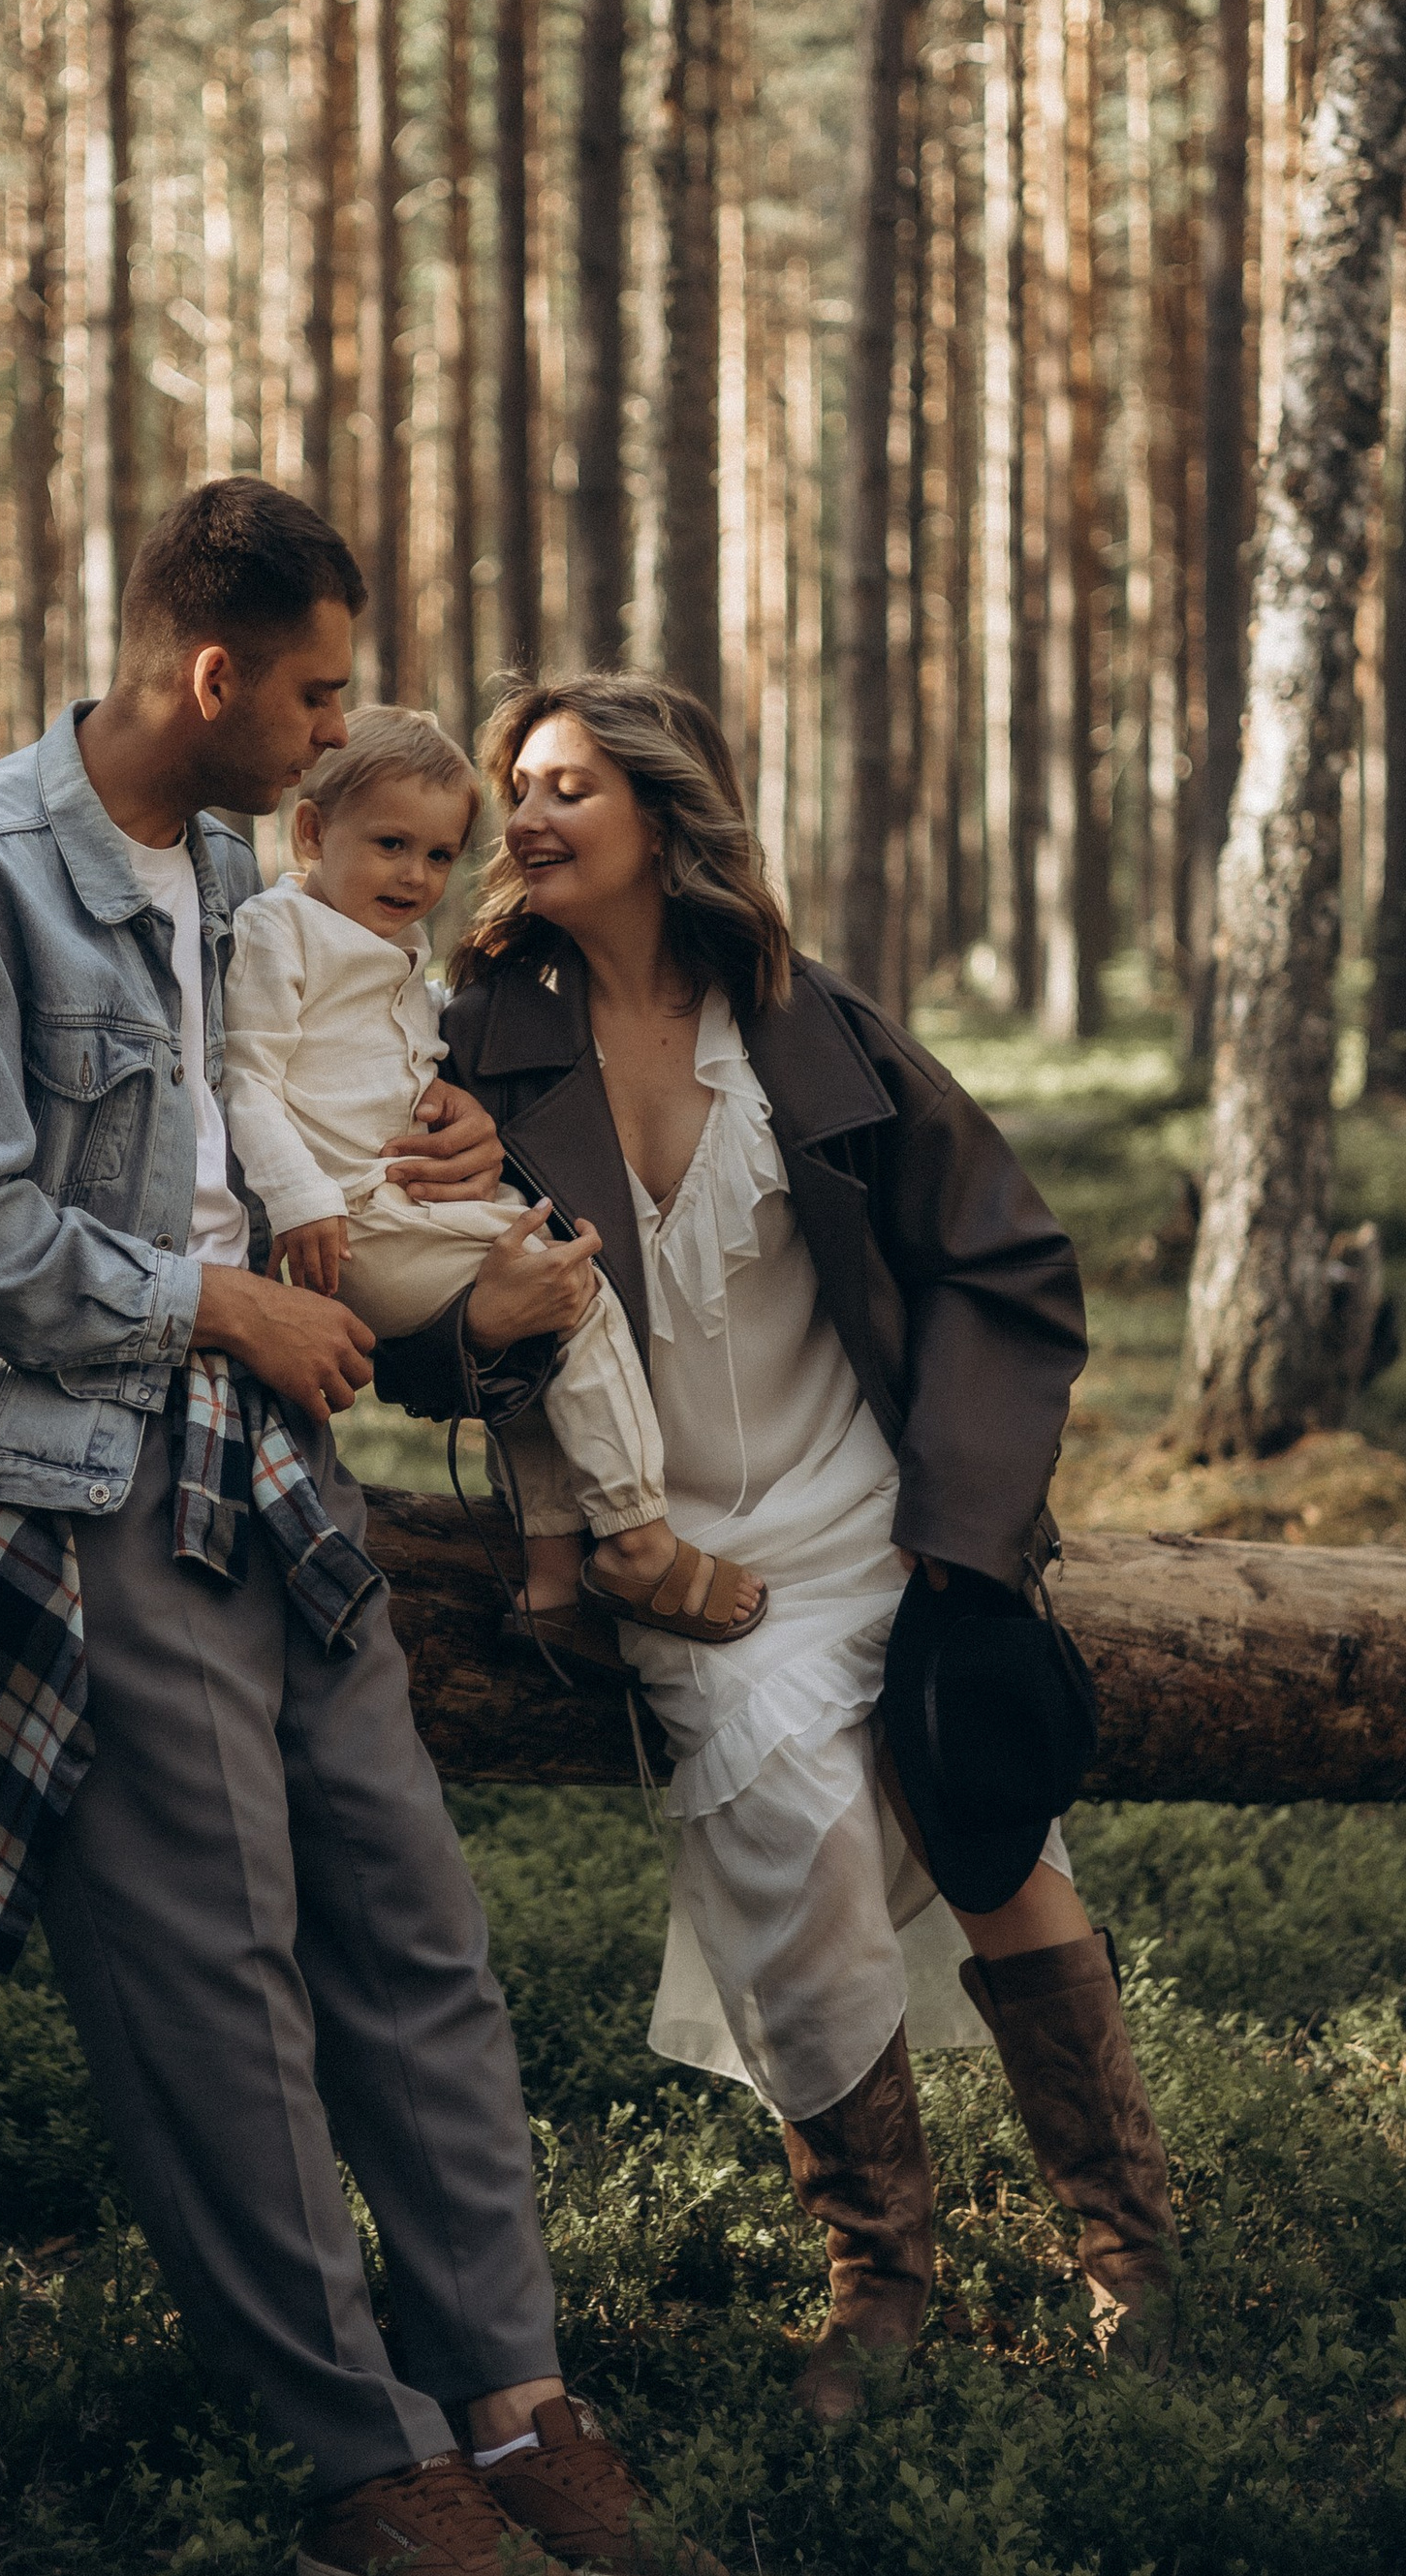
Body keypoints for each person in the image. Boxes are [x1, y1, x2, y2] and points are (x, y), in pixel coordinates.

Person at [0, 481, 730, 2576]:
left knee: (409, 1920)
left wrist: (432, 1153)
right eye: (309, 694)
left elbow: (297, 1107)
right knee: (211, 1966)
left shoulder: (236, 877)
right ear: (210, 678)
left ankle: (508, 2398)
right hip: (60, 1459)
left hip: (258, 1446)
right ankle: (355, 2459)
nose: (335, 733)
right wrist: (214, 1305)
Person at [371, 671, 1179, 2424]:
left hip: (873, 1514)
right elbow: (402, 1314)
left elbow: (1007, 1260)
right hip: (667, 1547)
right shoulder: (469, 1038)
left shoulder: (811, 1027)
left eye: (567, 786)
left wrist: (965, 1535)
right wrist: (485, 1321)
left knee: (999, 1838)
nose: (523, 817)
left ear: (665, 817)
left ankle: (1135, 2264)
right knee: (796, 1847)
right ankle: (882, 2287)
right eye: (516, 787)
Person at [220, 702, 765, 1648]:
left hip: (385, 1208)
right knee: (573, 1288)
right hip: (350, 1220)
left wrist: (453, 1096)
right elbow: (244, 1077)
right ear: (311, 830)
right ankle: (638, 1538)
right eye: (390, 843)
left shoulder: (390, 948)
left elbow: (398, 1037)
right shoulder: (280, 931)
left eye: (438, 855)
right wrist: (301, 1199)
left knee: (537, 1334)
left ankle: (550, 1583)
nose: (415, 876)